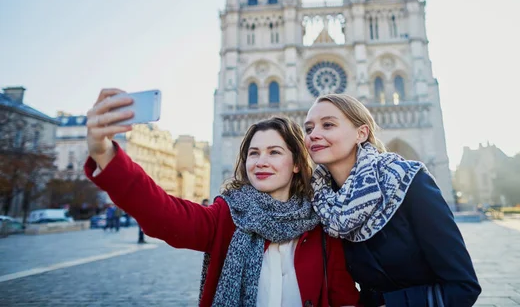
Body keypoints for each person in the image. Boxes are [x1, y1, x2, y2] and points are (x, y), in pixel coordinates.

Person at [84, 88, 359, 307]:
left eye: (274, 152)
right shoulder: (226, 217)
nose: (261, 161)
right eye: (254, 153)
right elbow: (162, 213)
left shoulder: (321, 224)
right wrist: (104, 153)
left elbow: (344, 297)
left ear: (296, 163)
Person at [304, 93, 481, 307]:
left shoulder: (408, 182)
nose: (314, 134)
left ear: (361, 133)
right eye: (309, 129)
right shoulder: (323, 202)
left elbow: (463, 287)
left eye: (328, 125)